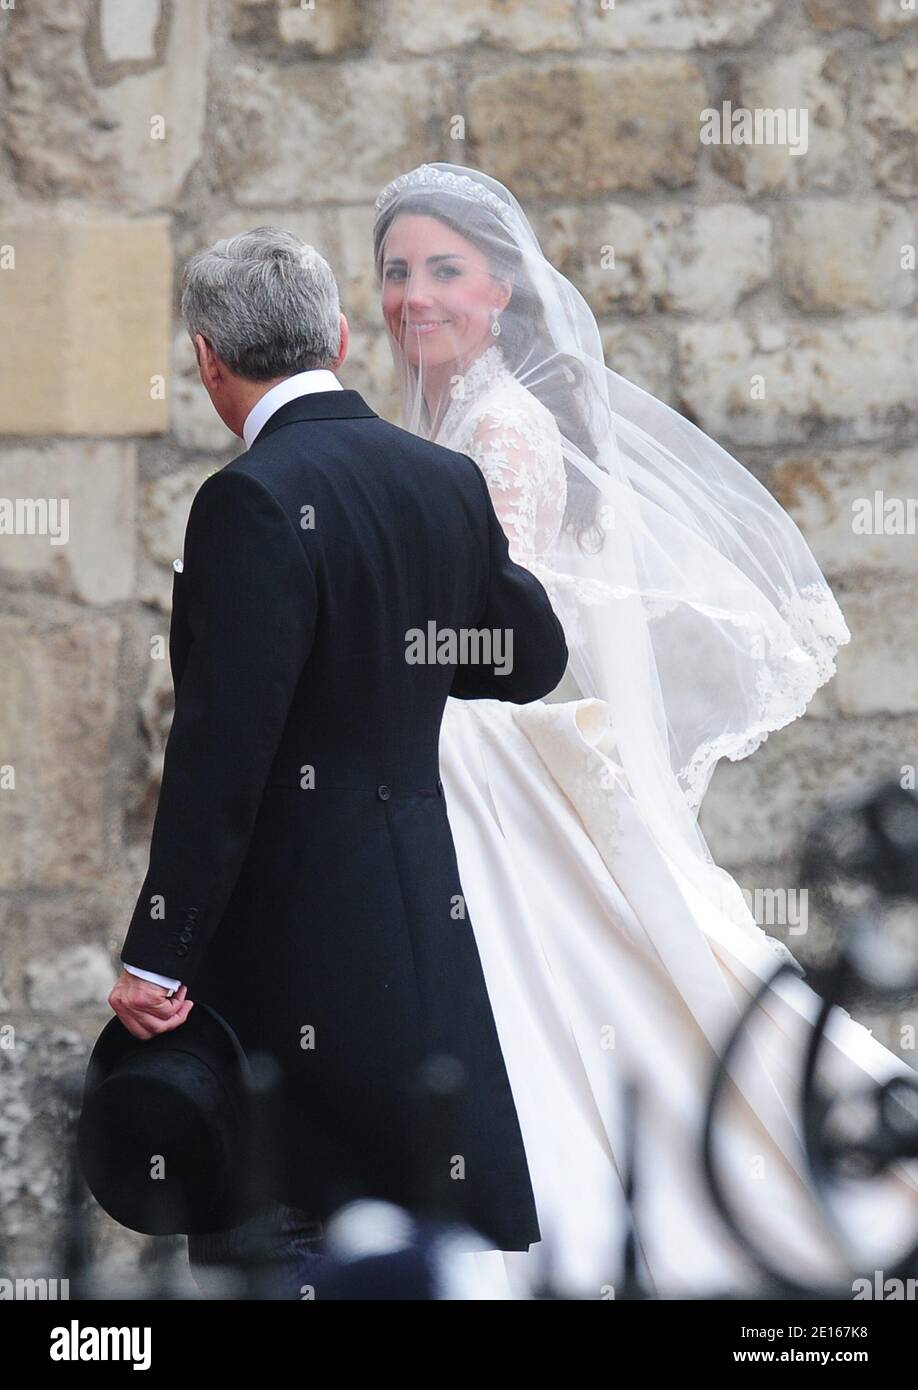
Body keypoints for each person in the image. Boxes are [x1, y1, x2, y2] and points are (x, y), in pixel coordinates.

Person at [372, 162, 918, 1297]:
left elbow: (492, 625)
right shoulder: (437, 422)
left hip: (484, 751)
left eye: (443, 270)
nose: (414, 294)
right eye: (395, 271)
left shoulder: (505, 429)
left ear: (503, 290)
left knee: (578, 971)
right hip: (453, 748)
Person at [108, 227, 568, 1297]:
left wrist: (158, 953)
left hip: (286, 926)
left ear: (208, 356)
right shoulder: (444, 480)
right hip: (417, 902)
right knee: (402, 1194)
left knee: (282, 1212)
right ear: (345, 338)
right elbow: (530, 657)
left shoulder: (248, 498)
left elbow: (222, 753)